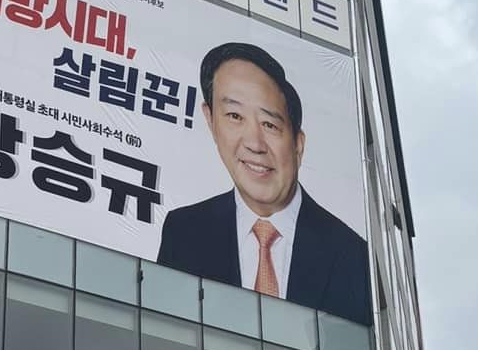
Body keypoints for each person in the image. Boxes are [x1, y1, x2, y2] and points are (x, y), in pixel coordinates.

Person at [156, 42, 371, 323]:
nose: (254, 144)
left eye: (270, 125)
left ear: (298, 144)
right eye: (234, 116)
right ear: (210, 120)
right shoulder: (184, 232)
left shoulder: (353, 256)